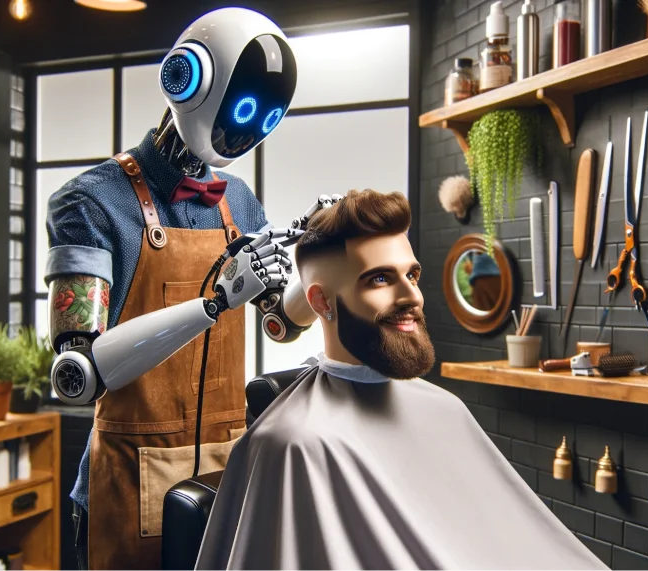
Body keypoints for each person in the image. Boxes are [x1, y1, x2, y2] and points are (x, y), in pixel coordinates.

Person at [193, 189, 609, 570]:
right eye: (380, 279)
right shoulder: (294, 444)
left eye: (412, 275)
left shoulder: (445, 409)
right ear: (321, 301)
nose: (412, 297)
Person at [44, 8, 323, 569]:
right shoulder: (92, 203)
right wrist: (214, 302)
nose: (245, 130)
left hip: (227, 476)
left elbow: (279, 325)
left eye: (262, 118)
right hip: (128, 481)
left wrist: (321, 262)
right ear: (186, 77)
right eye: (241, 109)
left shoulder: (240, 202)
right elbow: (77, 376)